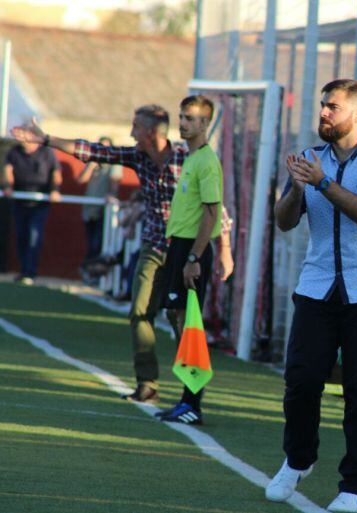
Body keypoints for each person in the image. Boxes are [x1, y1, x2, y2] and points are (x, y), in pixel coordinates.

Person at [10, 106, 233, 404]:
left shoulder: (189, 158)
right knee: (140, 312)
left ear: (153, 133)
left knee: (180, 319)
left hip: (184, 250)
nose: (131, 133)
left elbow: (216, 209)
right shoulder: (137, 157)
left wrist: (224, 250)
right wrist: (47, 139)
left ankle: (190, 394)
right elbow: (93, 152)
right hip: (153, 246)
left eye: (136, 127)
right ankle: (147, 382)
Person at [266, 79, 357, 513]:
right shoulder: (308, 160)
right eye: (322, 105)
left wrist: (322, 184)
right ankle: (299, 458)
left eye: (332, 107)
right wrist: (299, 189)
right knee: (301, 379)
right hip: (318, 284)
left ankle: (354, 489)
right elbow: (285, 221)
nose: (323, 113)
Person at [155, 95, 224, 425]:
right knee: (179, 322)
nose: (183, 123)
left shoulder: (207, 161)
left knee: (189, 327)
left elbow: (212, 214)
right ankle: (186, 399)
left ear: (205, 124)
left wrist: (194, 257)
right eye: (181, 116)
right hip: (180, 248)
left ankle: (192, 404)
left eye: (191, 118)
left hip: (191, 252)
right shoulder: (192, 158)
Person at [1, 136, 62, 284]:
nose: (24, 143)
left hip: (39, 203)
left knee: (34, 237)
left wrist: (55, 189)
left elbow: (56, 172)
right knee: (21, 236)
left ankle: (30, 272)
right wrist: (8, 187)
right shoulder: (14, 152)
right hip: (20, 201)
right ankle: (24, 271)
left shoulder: (47, 153)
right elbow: (7, 170)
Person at [77, 136, 122, 262]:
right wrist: (91, 166)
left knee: (98, 245)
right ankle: (91, 274)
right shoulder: (93, 163)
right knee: (91, 243)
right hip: (89, 210)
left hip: (104, 211)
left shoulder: (114, 163)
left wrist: (111, 195)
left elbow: (115, 183)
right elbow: (80, 180)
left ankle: (95, 275)